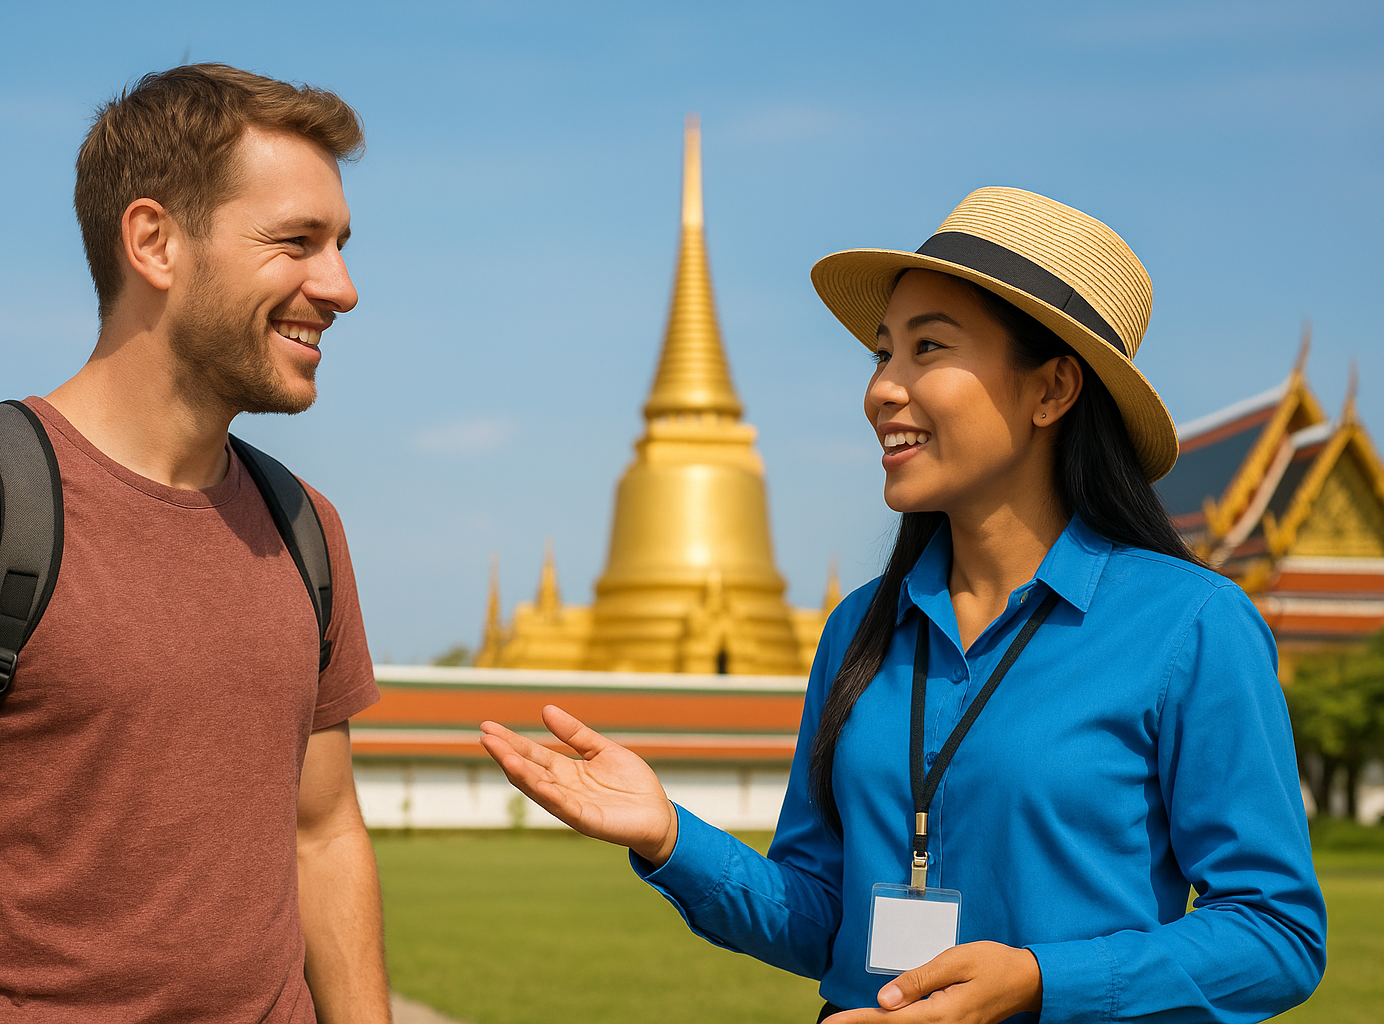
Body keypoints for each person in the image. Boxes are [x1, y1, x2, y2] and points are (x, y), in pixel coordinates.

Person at [481, 187, 1326, 1023]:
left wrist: (1039, 982)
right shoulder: (861, 629)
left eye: (928, 349)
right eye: (883, 353)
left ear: (1053, 390)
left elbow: (1276, 932)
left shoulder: (1189, 626)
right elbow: (823, 919)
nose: (883, 389)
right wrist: (668, 834)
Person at [0, 65, 390, 1023]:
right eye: (297, 242)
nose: (340, 287)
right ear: (154, 242)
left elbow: (325, 831)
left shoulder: (305, 528)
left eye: (341, 244)